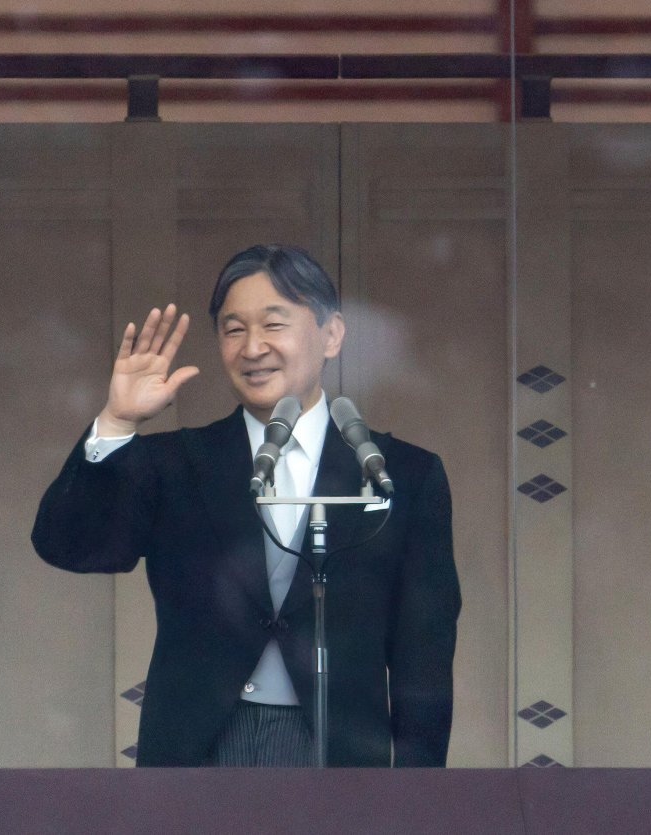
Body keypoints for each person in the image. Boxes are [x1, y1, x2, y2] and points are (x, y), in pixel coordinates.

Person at [32, 244, 461, 767]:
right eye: (234, 330)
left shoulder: (401, 475)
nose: (252, 347)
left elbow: (424, 651)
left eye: (273, 324)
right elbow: (68, 545)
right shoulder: (176, 463)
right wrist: (117, 424)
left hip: (340, 749)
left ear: (332, 335)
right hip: (198, 748)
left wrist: (421, 793)